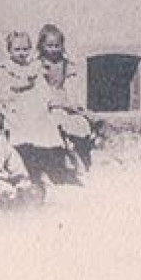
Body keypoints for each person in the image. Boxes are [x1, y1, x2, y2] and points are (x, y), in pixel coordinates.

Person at [0, 30, 70, 191]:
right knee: (20, 125)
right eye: (17, 50)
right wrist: (18, 88)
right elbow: (3, 89)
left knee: (44, 122)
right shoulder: (6, 68)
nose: (22, 53)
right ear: (9, 51)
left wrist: (49, 103)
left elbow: (43, 90)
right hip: (15, 104)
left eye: (25, 49)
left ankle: (44, 169)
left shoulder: (34, 68)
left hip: (34, 104)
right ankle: (26, 171)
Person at [37, 23, 94, 176]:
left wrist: (74, 103)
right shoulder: (40, 64)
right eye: (49, 46)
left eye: (57, 45)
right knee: (56, 121)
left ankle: (77, 151)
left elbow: (70, 84)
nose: (54, 49)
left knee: (79, 121)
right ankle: (67, 154)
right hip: (47, 98)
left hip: (62, 97)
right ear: (42, 46)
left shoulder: (64, 63)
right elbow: (40, 87)